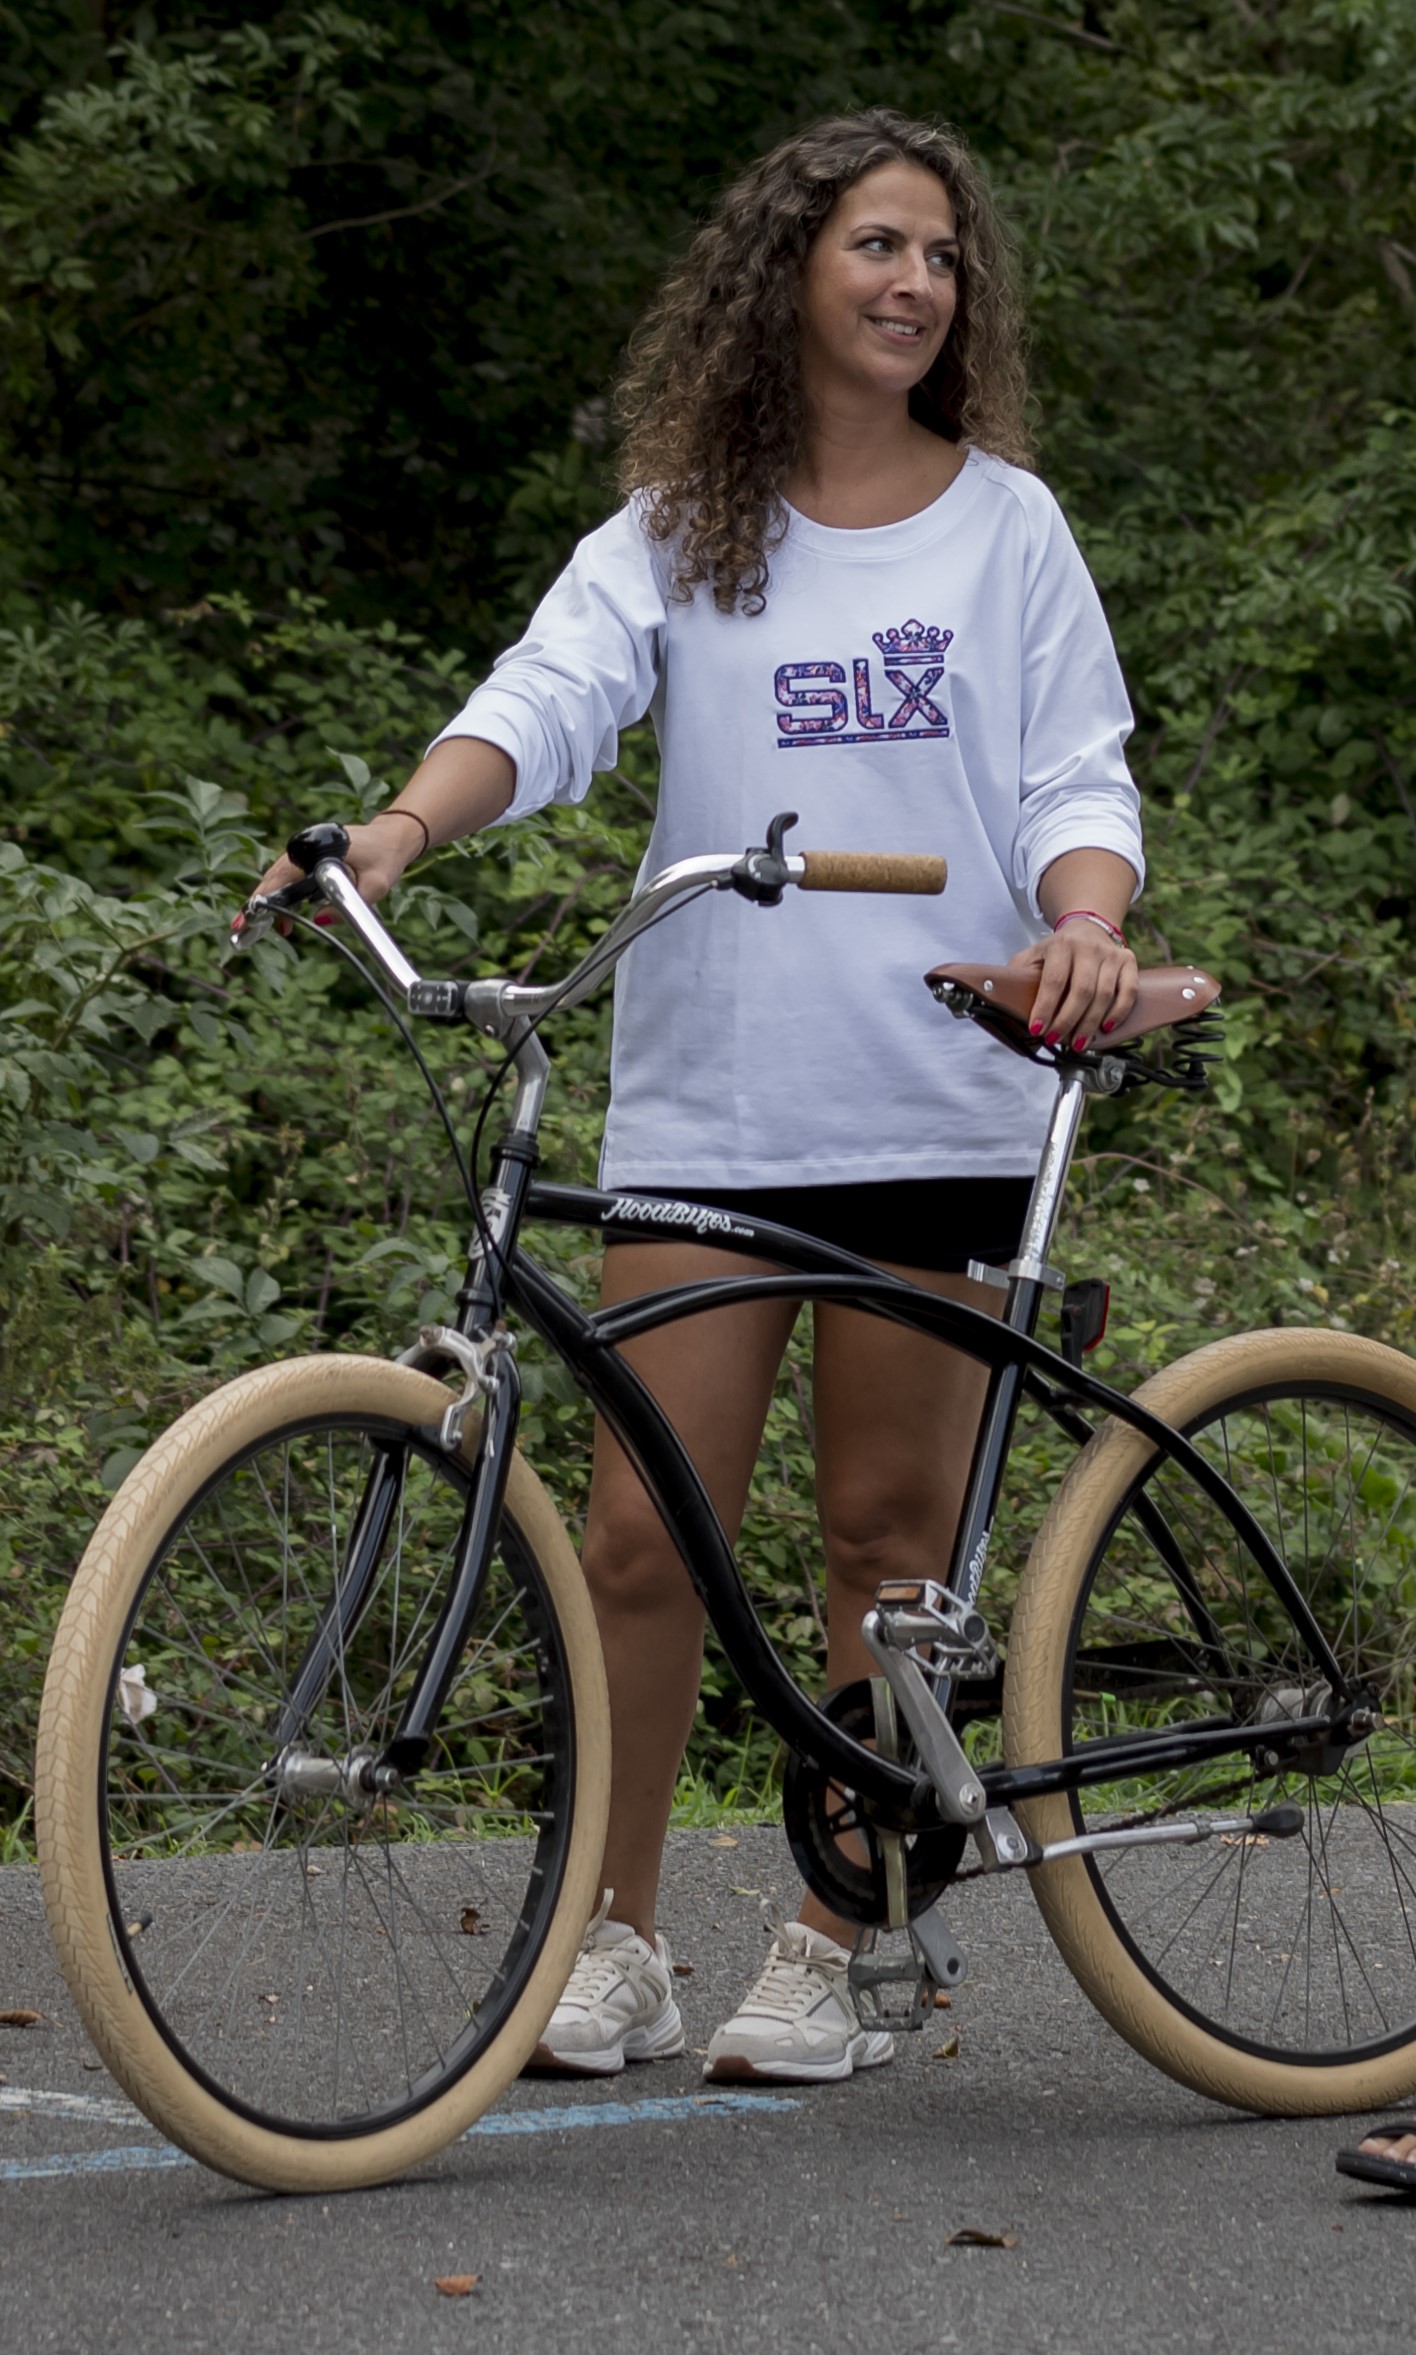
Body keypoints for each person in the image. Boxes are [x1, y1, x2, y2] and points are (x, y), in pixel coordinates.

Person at [251, 107, 1143, 2086]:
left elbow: (1080, 774)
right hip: (714, 1104)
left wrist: (1085, 921)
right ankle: (617, 1932)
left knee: (883, 1534)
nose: (916, 281)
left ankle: (843, 1933)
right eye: (876, 248)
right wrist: (396, 830)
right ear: (785, 277)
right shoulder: (683, 521)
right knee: (642, 1535)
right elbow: (547, 695)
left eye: (940, 256)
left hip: (942, 1090)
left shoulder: (1006, 527)